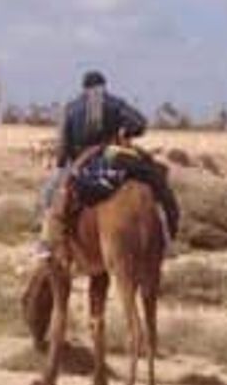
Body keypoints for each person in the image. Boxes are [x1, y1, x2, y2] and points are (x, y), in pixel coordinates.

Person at [35, 71, 148, 258]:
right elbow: (140, 123)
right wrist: (125, 134)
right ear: (104, 86)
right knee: (154, 181)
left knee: (48, 194)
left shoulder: (71, 108)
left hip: (80, 160)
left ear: (84, 88)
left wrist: (62, 164)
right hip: (112, 157)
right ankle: (165, 232)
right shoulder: (116, 104)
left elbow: (63, 145)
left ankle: (46, 243)